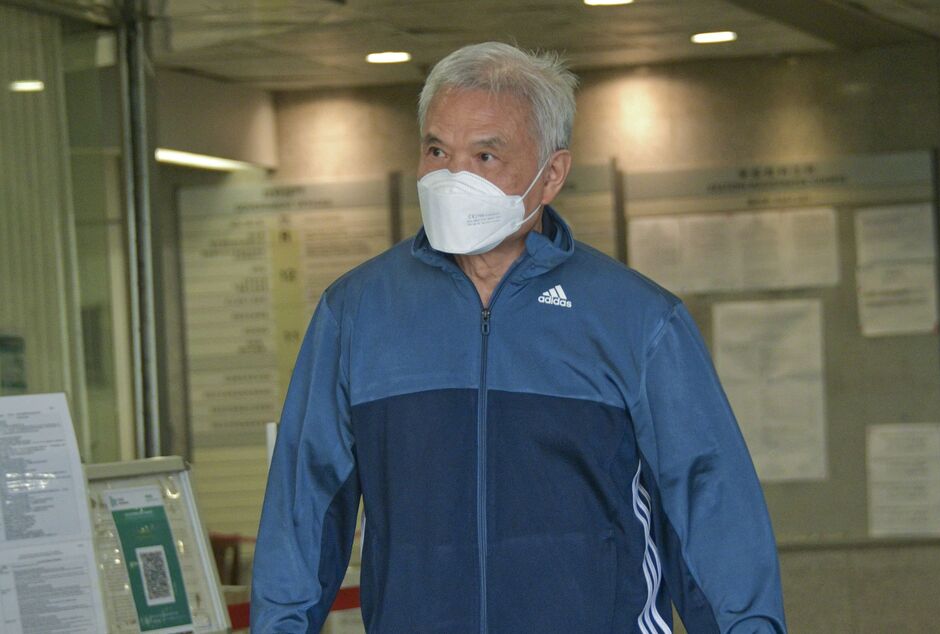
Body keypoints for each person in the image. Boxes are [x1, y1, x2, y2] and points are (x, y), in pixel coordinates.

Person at [251, 42, 787, 634]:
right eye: (437, 151)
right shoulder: (356, 313)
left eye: (485, 155)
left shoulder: (637, 320)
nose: (453, 177)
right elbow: (303, 504)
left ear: (551, 174)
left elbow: (710, 507)